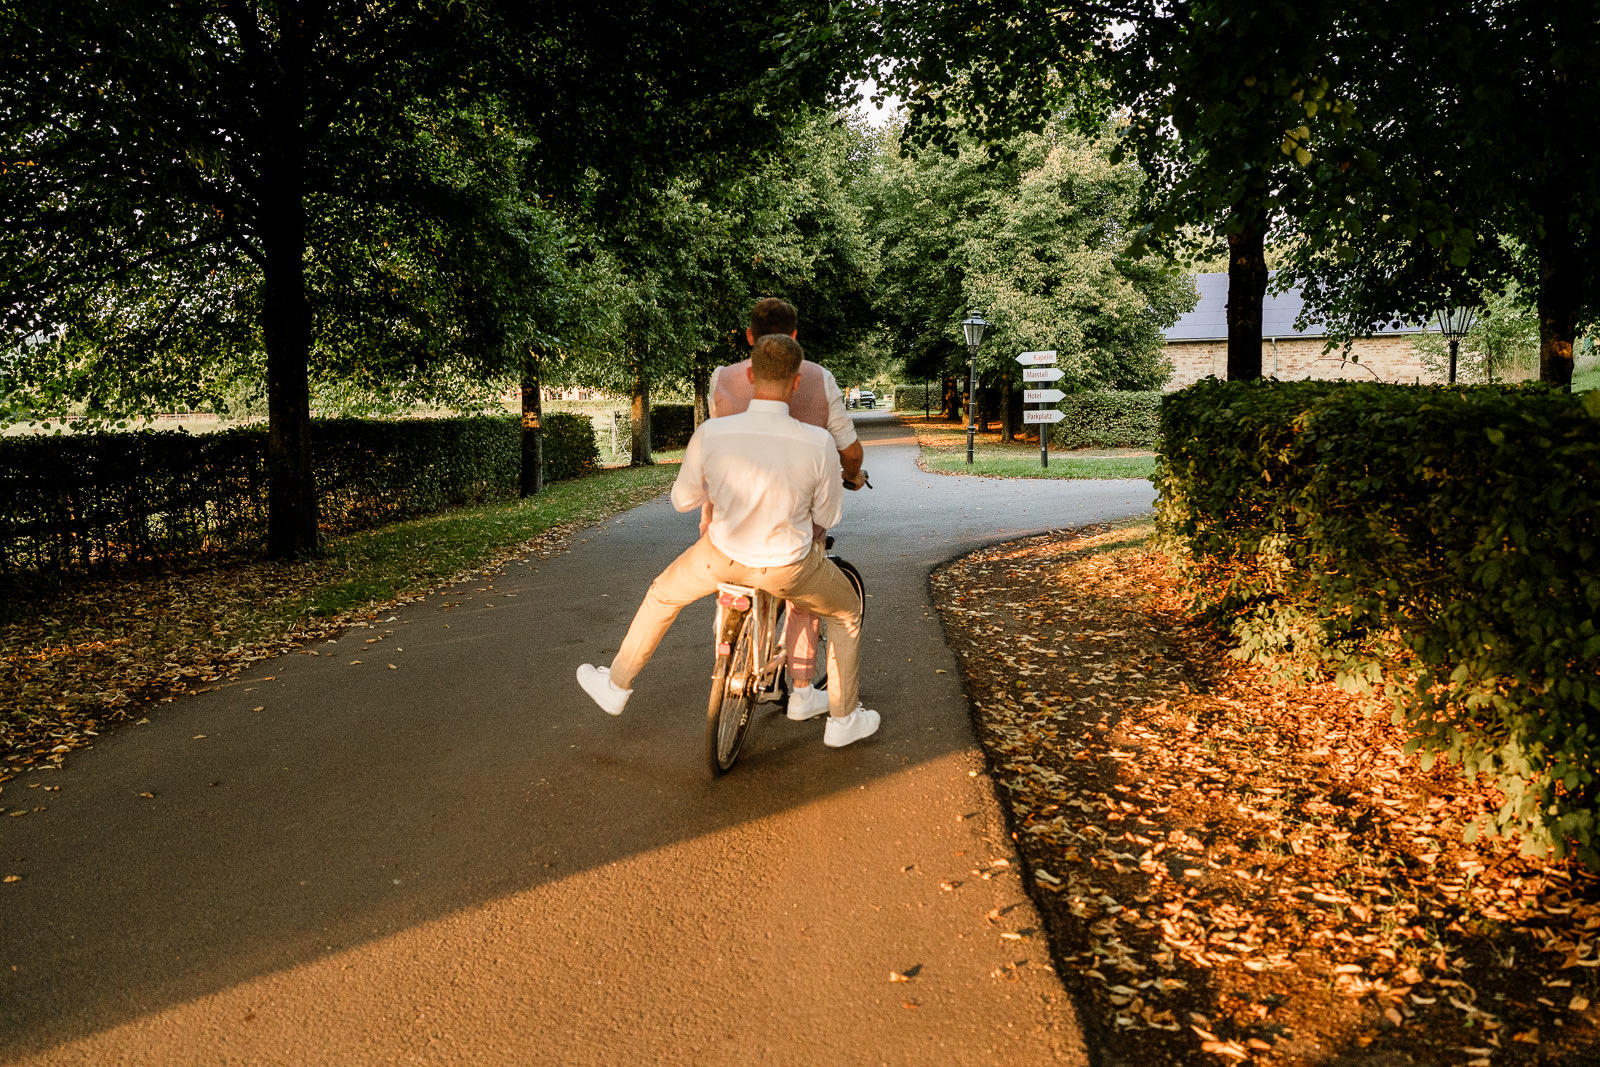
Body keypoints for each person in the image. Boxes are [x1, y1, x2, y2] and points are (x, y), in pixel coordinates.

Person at [576, 334, 880, 748]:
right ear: (795, 383)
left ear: (751, 376)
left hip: (720, 557)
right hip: (788, 567)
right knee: (845, 613)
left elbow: (683, 501)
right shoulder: (819, 443)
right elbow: (829, 517)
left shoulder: (712, 432)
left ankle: (616, 686)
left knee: (663, 596)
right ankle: (842, 720)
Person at [704, 297, 866, 722]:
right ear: (795, 336)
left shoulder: (721, 379)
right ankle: (800, 691)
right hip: (794, 516)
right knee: (805, 594)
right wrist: (853, 473)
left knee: (728, 567)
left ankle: (728, 654)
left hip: (731, 516)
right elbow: (848, 448)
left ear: (748, 337)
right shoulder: (820, 379)